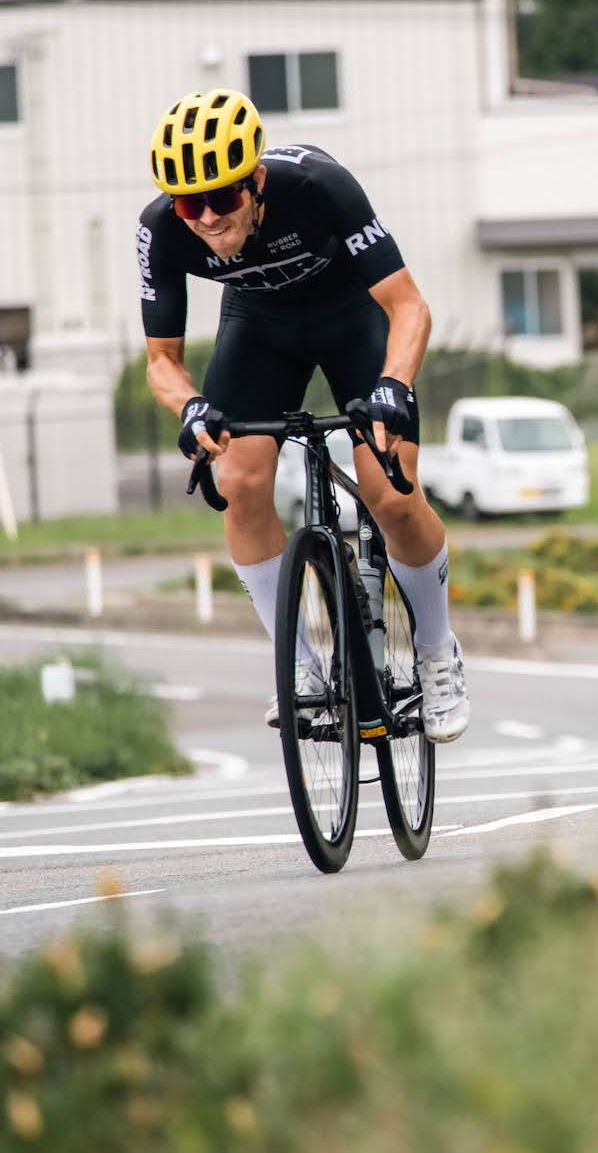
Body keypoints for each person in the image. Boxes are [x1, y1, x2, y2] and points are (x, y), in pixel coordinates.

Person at [137, 89, 471, 742]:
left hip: (352, 316)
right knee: (238, 481)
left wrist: (394, 385)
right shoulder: (160, 229)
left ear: (256, 181)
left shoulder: (321, 187)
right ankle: (303, 669)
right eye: (188, 202)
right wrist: (191, 407)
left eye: (223, 197)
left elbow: (409, 306)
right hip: (258, 327)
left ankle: (436, 649)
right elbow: (160, 360)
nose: (205, 216)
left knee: (391, 492)